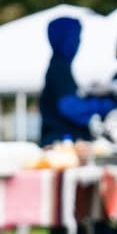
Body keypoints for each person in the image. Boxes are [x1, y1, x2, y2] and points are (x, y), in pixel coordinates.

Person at [38, 16, 88, 145]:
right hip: (59, 141)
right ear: (64, 37)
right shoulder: (60, 67)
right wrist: (104, 105)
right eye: (76, 36)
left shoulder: (58, 65)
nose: (78, 41)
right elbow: (69, 107)